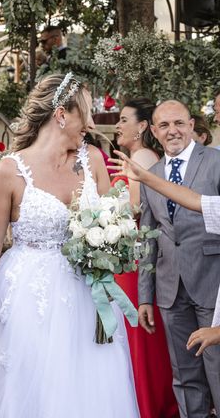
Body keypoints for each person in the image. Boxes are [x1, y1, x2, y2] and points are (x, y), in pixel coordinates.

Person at [0, 73, 139, 417]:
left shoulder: (93, 161)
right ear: (61, 115)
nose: (91, 124)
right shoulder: (9, 172)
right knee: (33, 389)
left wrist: (115, 243)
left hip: (88, 294)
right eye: (86, 114)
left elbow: (113, 220)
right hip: (29, 299)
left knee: (91, 387)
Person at [137, 100, 220, 418]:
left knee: (217, 371)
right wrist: (145, 295)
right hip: (170, 289)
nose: (173, 130)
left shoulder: (214, 161)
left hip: (212, 282)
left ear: (191, 124)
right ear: (154, 131)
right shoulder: (150, 175)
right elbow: (148, 236)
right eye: (165, 125)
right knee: (184, 377)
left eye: (179, 123)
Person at [110, 98, 178, 418]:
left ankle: (152, 406)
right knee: (131, 337)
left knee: (139, 338)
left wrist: (104, 216)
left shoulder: (142, 157)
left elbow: (140, 211)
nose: (118, 125)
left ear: (141, 127)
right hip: (125, 256)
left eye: (124, 120)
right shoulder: (134, 158)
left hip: (136, 259)